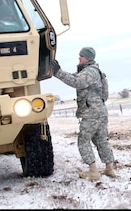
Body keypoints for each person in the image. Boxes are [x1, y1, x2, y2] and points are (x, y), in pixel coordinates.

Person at [51, 47, 116, 180]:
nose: (79, 58)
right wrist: (60, 71)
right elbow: (105, 95)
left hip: (91, 113)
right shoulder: (96, 71)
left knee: (83, 141)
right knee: (101, 140)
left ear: (88, 58)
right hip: (100, 112)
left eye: (81, 56)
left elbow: (76, 82)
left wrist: (57, 72)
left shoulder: (90, 72)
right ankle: (109, 169)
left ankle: (93, 172)